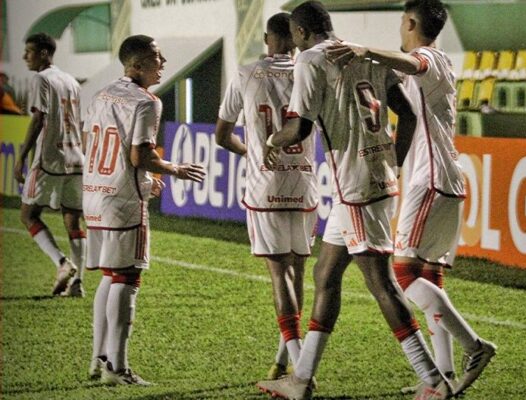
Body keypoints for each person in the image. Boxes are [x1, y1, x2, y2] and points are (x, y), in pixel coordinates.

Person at [256, 2, 451, 400]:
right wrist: (391, 159)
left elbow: (299, 129)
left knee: (381, 283)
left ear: (299, 33)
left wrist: (271, 139)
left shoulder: (311, 60)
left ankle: (434, 381)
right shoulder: (364, 52)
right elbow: (409, 114)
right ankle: (302, 378)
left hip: (357, 188)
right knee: (325, 275)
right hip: (367, 182)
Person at [325, 0, 497, 396]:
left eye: (403, 22)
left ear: (411, 23)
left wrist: (365, 50)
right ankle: (443, 376)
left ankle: (475, 345)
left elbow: (412, 64)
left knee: (403, 273)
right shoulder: (441, 63)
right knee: (429, 275)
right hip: (442, 176)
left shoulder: (428, 59)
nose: (400, 29)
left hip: (429, 176)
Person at [83, 34, 205, 385]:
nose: (163, 61)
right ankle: (117, 368)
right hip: (122, 199)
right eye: (156, 57)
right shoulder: (146, 102)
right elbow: (141, 155)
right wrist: (174, 170)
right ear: (136, 66)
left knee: (110, 275)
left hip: (94, 192)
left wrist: (141, 177)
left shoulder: (101, 94)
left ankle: (98, 360)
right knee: (127, 278)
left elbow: (96, 144)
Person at [215, 13, 318, 380]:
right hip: (305, 183)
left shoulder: (245, 74)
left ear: (266, 38)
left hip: (266, 186)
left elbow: (222, 135)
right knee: (298, 271)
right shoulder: (308, 71)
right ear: (294, 38)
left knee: (279, 275)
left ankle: (300, 366)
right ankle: (281, 361)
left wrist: (254, 152)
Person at [13, 33, 86, 297]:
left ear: (44, 53)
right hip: (76, 157)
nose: (25, 57)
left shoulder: (41, 79)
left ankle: (63, 263)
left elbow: (39, 119)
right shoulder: (71, 81)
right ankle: (78, 285)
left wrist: (22, 155)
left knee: (27, 215)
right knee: (73, 220)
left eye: (29, 51)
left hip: (48, 160)